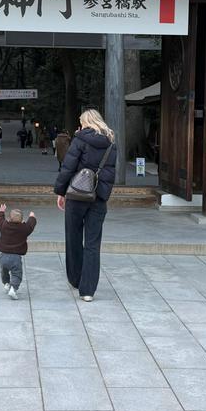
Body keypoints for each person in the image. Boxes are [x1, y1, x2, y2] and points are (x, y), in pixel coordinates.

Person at [54, 109, 117, 302]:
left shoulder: (80, 139)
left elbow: (68, 167)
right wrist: (103, 194)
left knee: (73, 237)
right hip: (98, 198)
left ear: (85, 123)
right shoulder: (111, 142)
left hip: (77, 195)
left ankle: (75, 278)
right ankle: (88, 290)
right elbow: (111, 172)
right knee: (92, 243)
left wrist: (60, 191)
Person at [0, 203, 37, 300]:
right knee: (17, 274)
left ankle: (6, 283)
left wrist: (1, 212)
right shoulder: (24, 229)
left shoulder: (4, 225)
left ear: (9, 219)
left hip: (3, 256)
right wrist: (32, 217)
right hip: (16, 258)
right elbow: (31, 225)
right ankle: (13, 289)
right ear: (22, 220)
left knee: (4, 271)